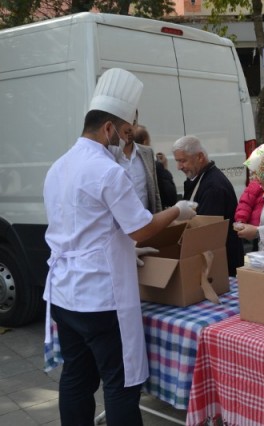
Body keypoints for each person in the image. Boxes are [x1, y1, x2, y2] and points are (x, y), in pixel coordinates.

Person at [42, 68, 198, 425]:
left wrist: (125, 248)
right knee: (121, 383)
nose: (126, 141)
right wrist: (179, 210)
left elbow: (85, 227)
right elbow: (141, 228)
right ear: (109, 129)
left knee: (77, 378)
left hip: (64, 292)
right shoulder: (108, 170)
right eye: (125, 133)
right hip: (100, 295)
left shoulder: (58, 166)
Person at [173, 135, 244, 277]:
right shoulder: (204, 179)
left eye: (183, 161)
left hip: (221, 265)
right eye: (177, 161)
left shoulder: (213, 187)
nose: (179, 167)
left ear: (200, 157)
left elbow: (206, 232)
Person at [118, 112, 162, 213]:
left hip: (148, 222)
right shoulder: (108, 155)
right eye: (124, 123)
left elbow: (155, 193)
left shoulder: (147, 152)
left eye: (133, 123)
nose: (129, 128)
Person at [134, 125, 178, 209]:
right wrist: (164, 169)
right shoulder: (154, 167)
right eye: (149, 142)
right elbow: (170, 198)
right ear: (144, 142)